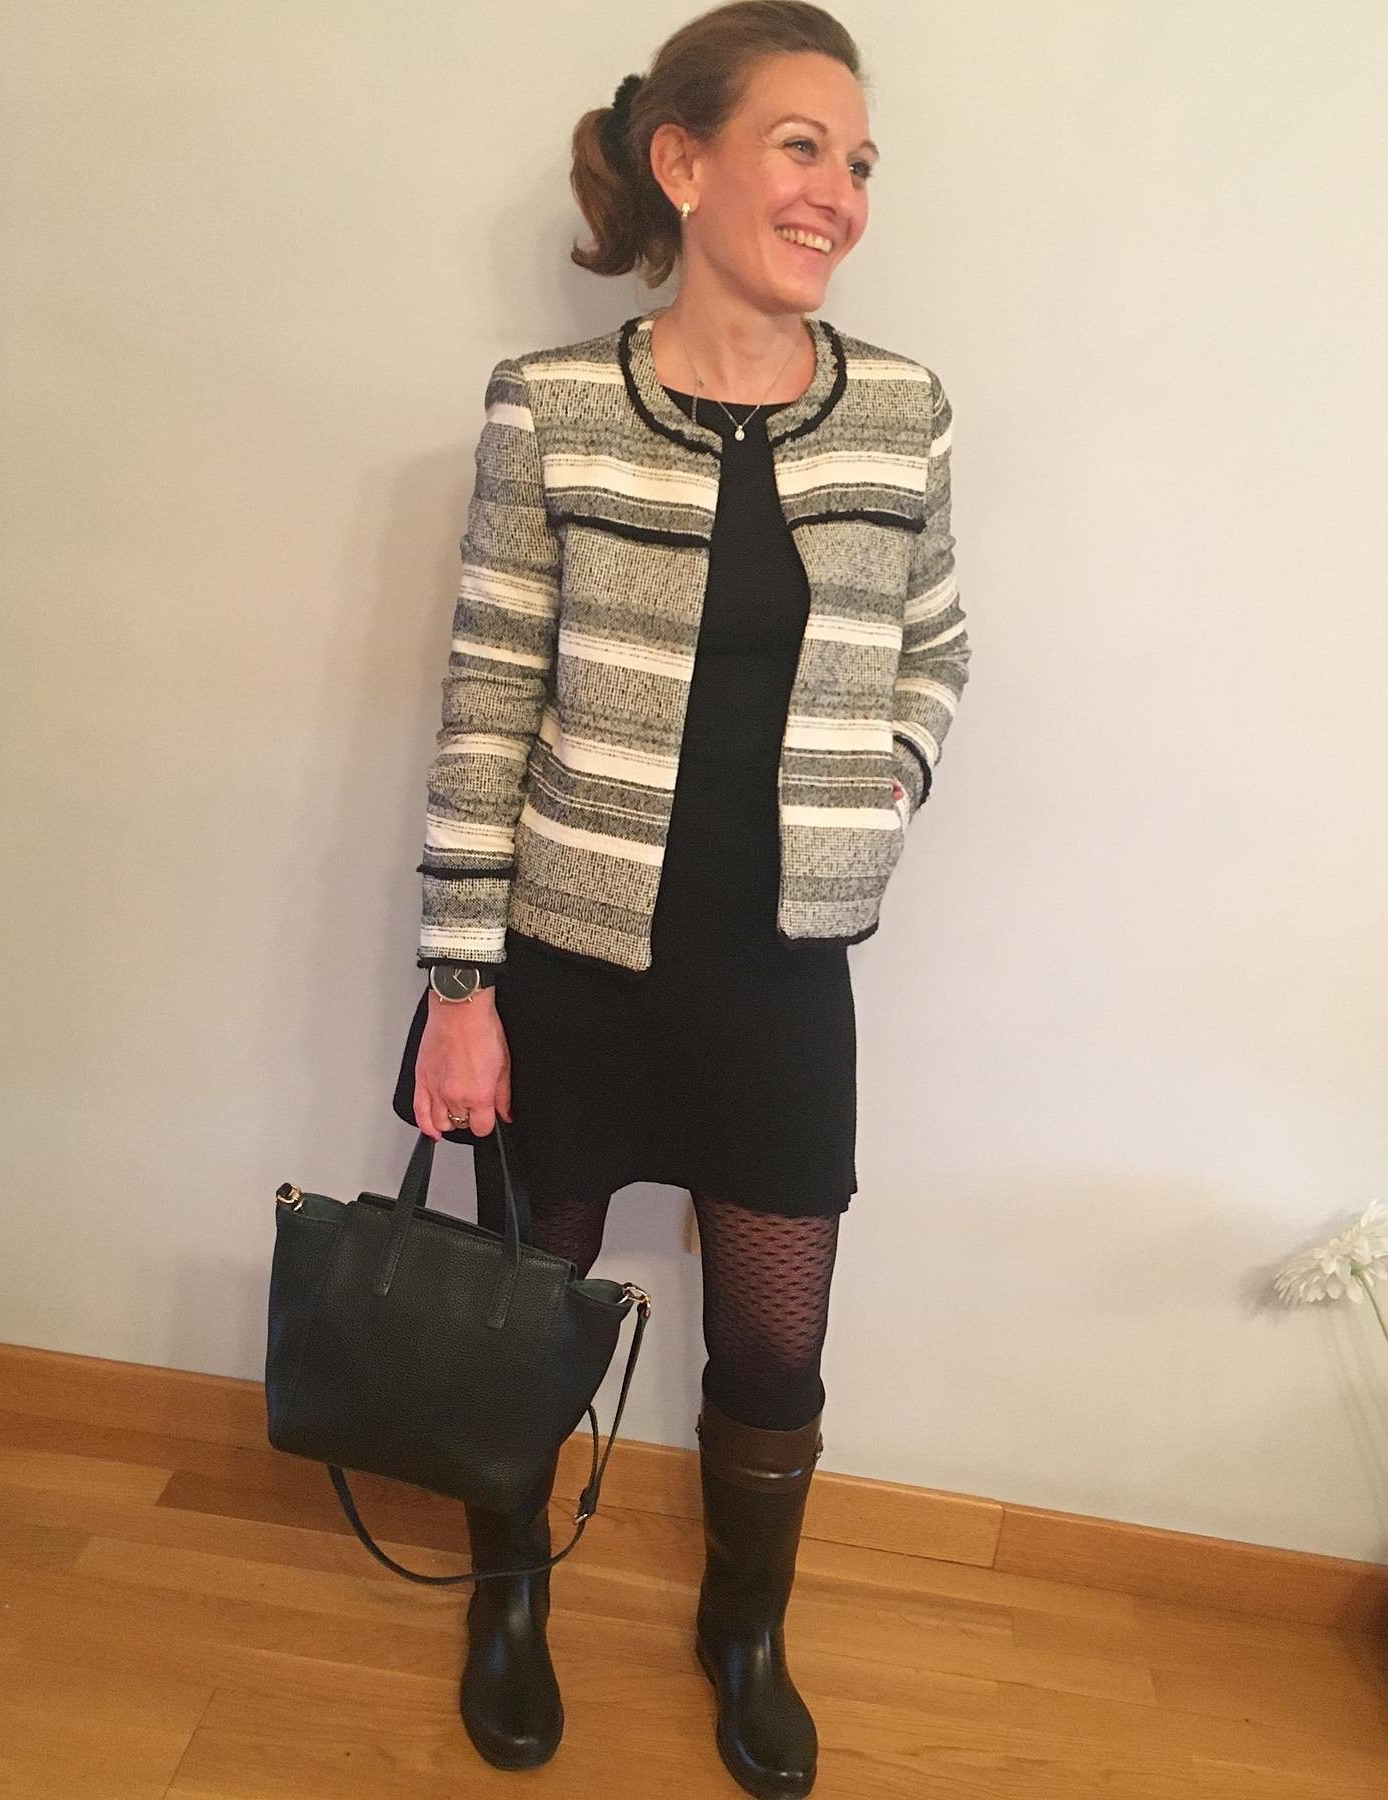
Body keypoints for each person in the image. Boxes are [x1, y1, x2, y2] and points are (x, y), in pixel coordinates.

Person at [404, 5, 969, 1791]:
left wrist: (887, 780)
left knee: (777, 1344)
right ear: (684, 160)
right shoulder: (553, 406)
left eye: (858, 162)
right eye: (803, 146)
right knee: (527, 1316)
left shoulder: (902, 412)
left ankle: (745, 1627)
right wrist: (459, 985)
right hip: (569, 960)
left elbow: (938, 646)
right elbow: (489, 696)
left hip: (781, 971)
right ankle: (510, 1602)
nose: (839, 193)